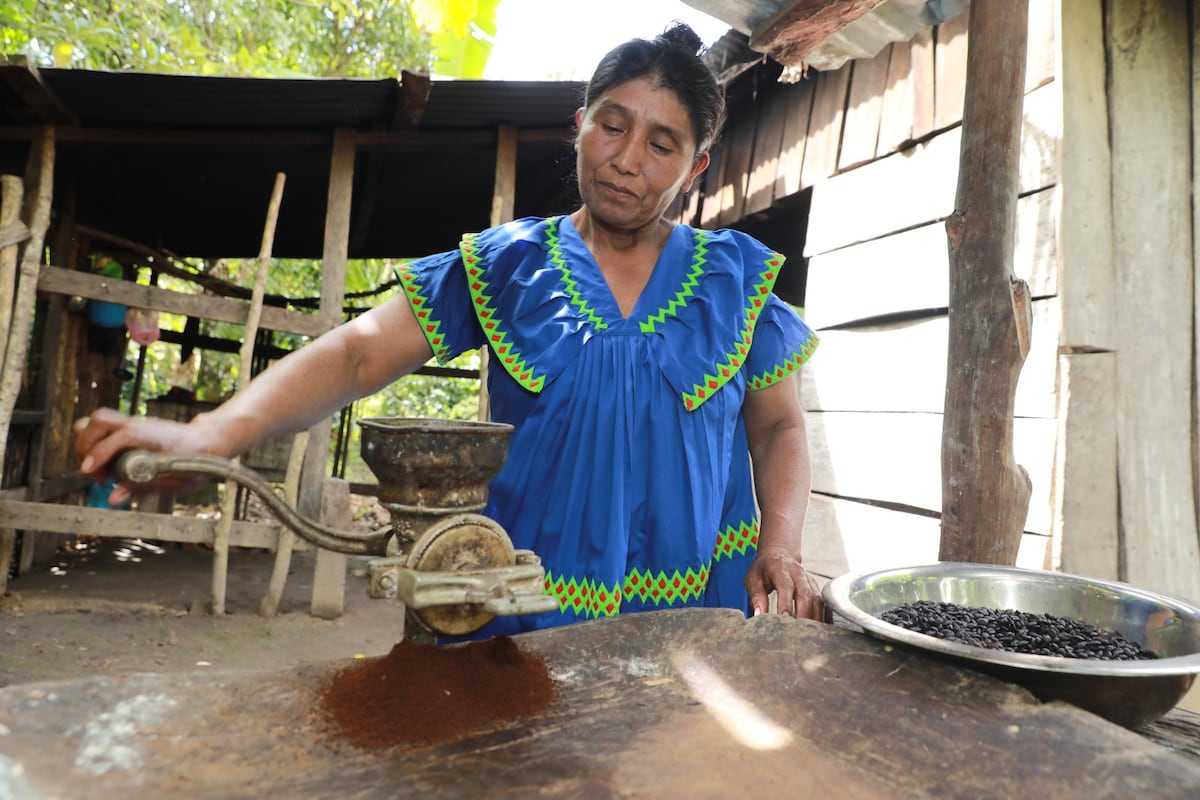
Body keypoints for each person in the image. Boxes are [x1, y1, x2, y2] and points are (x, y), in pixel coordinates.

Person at [74, 22, 825, 637]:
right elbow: (360, 353)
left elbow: (779, 427)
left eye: (661, 146)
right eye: (611, 125)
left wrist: (783, 544)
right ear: (580, 127)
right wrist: (213, 433)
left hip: (695, 620)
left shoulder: (736, 281)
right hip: (522, 614)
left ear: (694, 169)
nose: (627, 161)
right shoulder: (508, 265)